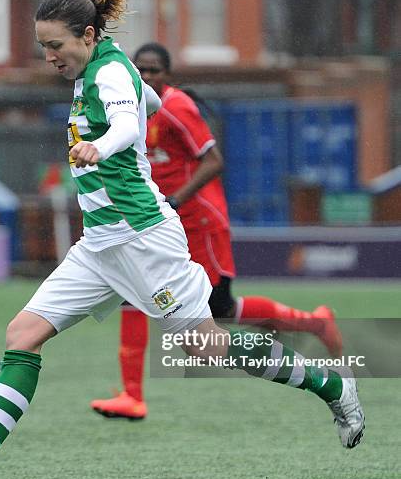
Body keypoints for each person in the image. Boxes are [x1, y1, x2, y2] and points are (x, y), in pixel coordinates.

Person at [0, 0, 364, 479]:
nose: (48, 57)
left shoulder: (108, 71)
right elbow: (148, 101)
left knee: (207, 349)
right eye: (43, 46)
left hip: (144, 239)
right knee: (22, 336)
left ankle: (332, 384)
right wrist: (135, 102)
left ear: (87, 36)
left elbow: (129, 124)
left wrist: (100, 147)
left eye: (56, 46)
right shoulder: (102, 69)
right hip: (99, 248)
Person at [91, 42, 344, 420]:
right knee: (134, 296)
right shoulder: (128, 109)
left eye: (153, 70)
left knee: (219, 309)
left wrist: (175, 200)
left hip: (200, 221)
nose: (145, 77)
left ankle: (315, 323)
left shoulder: (176, 108)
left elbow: (213, 161)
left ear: (168, 75)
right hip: (160, 226)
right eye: (139, 71)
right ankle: (132, 396)